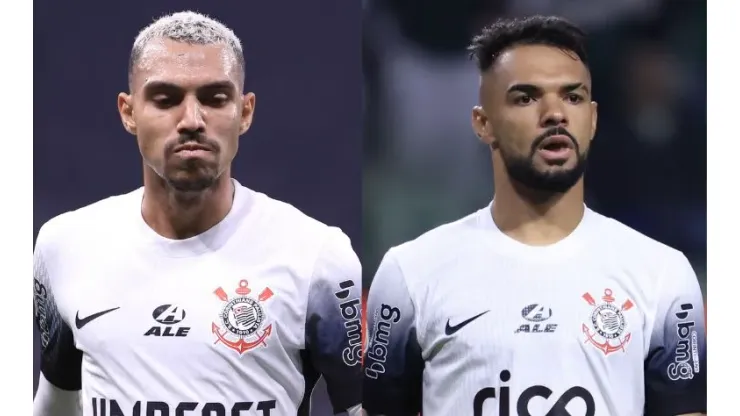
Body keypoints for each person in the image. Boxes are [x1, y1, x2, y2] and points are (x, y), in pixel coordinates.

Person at [362, 15, 706, 416]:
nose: (555, 114)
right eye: (525, 97)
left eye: (572, 97)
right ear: (483, 123)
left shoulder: (662, 274)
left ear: (592, 119)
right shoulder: (410, 273)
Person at [32, 11, 363, 416]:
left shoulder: (317, 258)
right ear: (128, 112)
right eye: (166, 99)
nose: (191, 120)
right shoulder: (65, 246)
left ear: (245, 112)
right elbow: (55, 404)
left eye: (214, 98)